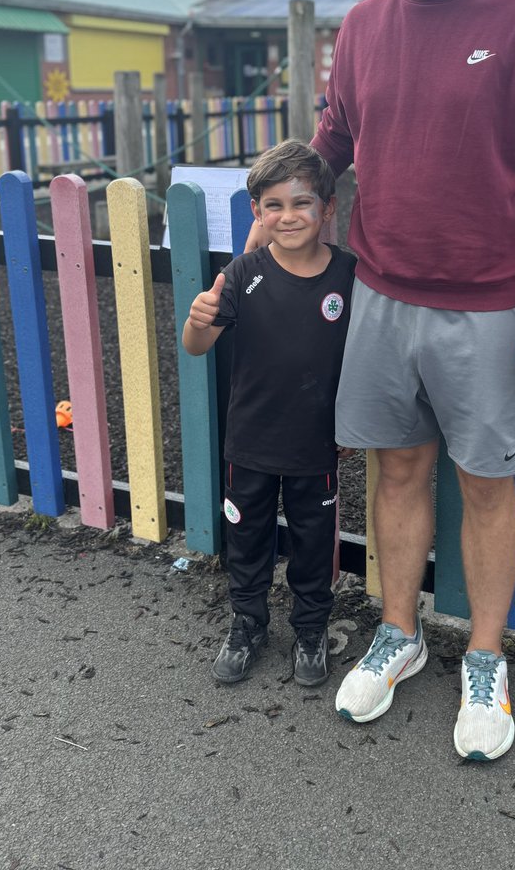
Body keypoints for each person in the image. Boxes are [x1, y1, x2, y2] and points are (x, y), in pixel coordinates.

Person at [250, 0, 515, 760]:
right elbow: (332, 143)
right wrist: (271, 221)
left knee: (488, 484)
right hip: (381, 297)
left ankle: (484, 658)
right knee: (396, 470)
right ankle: (400, 633)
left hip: (492, 306)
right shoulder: (363, 25)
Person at [183, 139, 356, 688]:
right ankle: (247, 623)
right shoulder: (241, 275)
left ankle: (310, 630)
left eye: (301, 203)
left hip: (316, 447)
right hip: (250, 445)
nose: (288, 216)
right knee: (248, 539)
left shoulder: (350, 277)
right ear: (257, 212)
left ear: (327, 208)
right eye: (273, 205)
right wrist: (198, 317)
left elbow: (366, 360)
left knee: (312, 543)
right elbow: (195, 346)